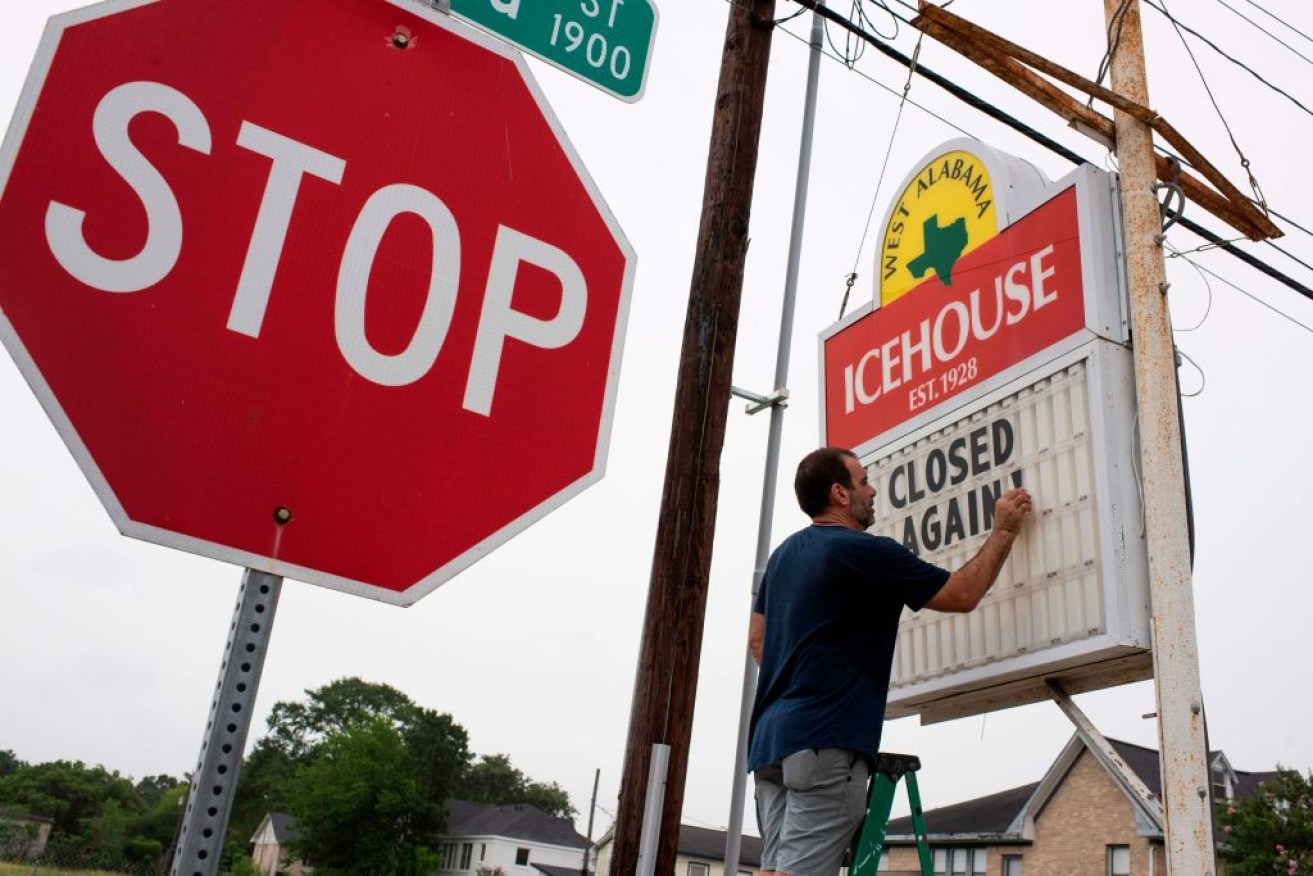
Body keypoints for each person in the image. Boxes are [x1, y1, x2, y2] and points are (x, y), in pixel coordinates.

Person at [747, 446, 1033, 876]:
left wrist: (805, 670)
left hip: (770, 744)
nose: (872, 489)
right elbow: (961, 594)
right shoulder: (866, 551)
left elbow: (757, 640)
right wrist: (1004, 532)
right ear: (840, 494)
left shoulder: (784, 555)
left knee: (775, 871)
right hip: (825, 742)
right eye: (863, 481)